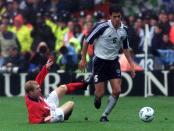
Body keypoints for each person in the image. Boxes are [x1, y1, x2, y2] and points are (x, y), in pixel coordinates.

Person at [79, 5, 135, 122]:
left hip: (113, 62)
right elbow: (86, 40)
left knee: (117, 90)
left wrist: (131, 64)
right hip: (99, 62)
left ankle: (104, 115)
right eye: (114, 17)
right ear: (110, 16)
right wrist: (83, 59)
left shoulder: (124, 29)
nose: (117, 19)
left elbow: (125, 48)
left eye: (119, 17)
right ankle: (97, 98)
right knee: (100, 93)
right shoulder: (101, 27)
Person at [25, 57, 89, 124]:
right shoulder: (33, 106)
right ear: (31, 92)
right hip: (50, 115)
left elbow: (38, 79)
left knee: (62, 87)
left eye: (39, 87)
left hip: (46, 104)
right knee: (71, 103)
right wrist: (49, 116)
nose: (40, 89)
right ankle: (63, 116)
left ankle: (83, 85)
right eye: (37, 89)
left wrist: (45, 68)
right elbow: (35, 121)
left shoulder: (30, 94)